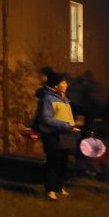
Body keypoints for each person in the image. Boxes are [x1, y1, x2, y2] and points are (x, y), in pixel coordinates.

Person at [35, 71, 80, 200]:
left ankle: (59, 186)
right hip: (53, 135)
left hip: (66, 135)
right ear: (56, 85)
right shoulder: (47, 99)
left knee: (64, 163)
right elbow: (46, 119)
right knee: (54, 162)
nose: (66, 84)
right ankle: (50, 190)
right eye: (63, 82)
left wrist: (71, 127)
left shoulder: (64, 98)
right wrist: (66, 125)